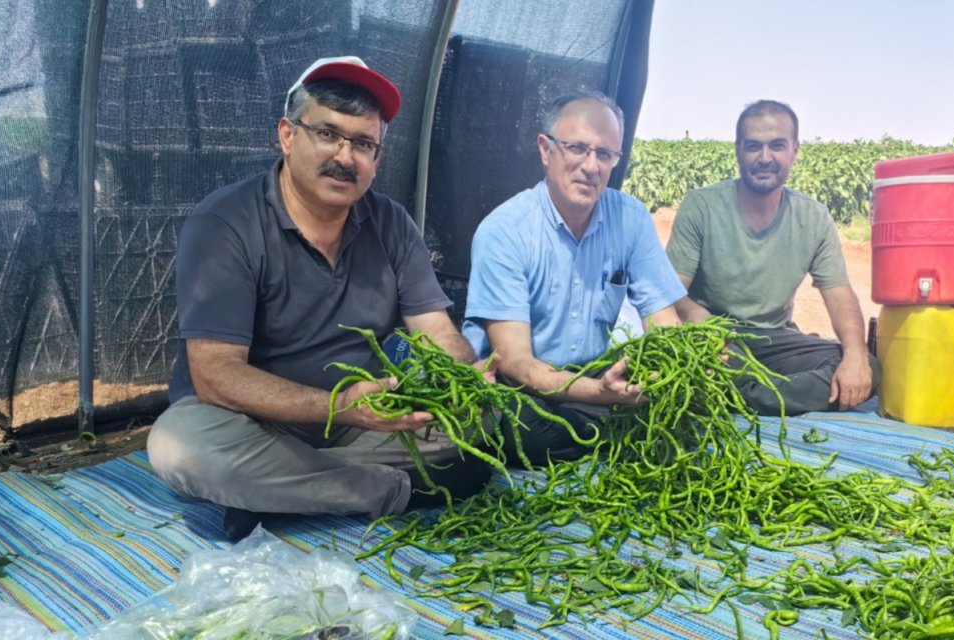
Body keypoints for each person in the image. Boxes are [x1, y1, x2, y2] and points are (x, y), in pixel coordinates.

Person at [147, 56, 491, 541]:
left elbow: (435, 330)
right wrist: (339, 404)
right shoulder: (225, 223)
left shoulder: (391, 223)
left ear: (378, 158)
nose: (346, 157)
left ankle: (278, 493)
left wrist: (463, 375)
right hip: (252, 424)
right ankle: (394, 491)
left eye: (364, 143)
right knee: (177, 448)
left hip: (367, 419)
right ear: (288, 135)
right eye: (328, 134)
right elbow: (215, 374)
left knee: (481, 417)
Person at [462, 91, 686, 465]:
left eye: (604, 154)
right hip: (521, 387)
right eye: (577, 148)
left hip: (595, 374)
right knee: (521, 430)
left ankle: (605, 432)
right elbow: (515, 361)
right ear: (546, 150)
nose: (591, 166)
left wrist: (685, 361)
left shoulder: (630, 217)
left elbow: (665, 323)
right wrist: (601, 393)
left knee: (678, 412)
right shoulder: (504, 230)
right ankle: (608, 434)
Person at [665, 100, 878, 416]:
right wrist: (701, 320)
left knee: (868, 367)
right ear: (738, 150)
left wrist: (856, 354)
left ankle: (734, 394)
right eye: (753, 146)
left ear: (795, 150)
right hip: (715, 340)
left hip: (774, 342)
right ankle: (770, 396)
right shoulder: (702, 206)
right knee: (687, 364)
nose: (765, 158)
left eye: (777, 146)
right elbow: (669, 292)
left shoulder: (813, 218)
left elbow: (839, 295)